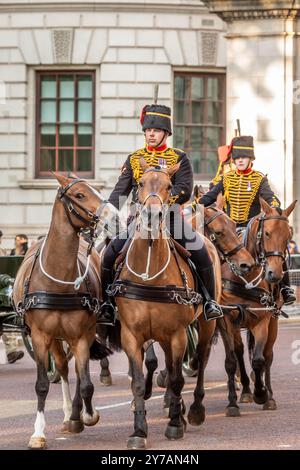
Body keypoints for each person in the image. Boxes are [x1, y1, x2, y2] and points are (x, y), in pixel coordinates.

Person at [98, 103, 223, 325]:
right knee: (108, 255)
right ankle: (107, 304)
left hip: (171, 219)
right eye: (148, 130)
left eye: (155, 130)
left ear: (166, 133)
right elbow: (121, 190)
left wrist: (159, 202)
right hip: (138, 221)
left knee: (202, 252)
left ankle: (209, 302)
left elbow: (184, 189)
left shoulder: (179, 157)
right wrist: (106, 210)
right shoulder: (134, 158)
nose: (151, 134)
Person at [199, 135, 296, 305]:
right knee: (207, 251)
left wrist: (274, 206)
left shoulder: (259, 179)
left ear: (250, 158)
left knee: (275, 247)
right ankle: (205, 292)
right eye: (236, 157)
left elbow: (270, 197)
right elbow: (210, 197)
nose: (239, 160)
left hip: (252, 228)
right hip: (229, 229)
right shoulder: (227, 178)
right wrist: (195, 205)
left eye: (243, 157)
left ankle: (285, 287)